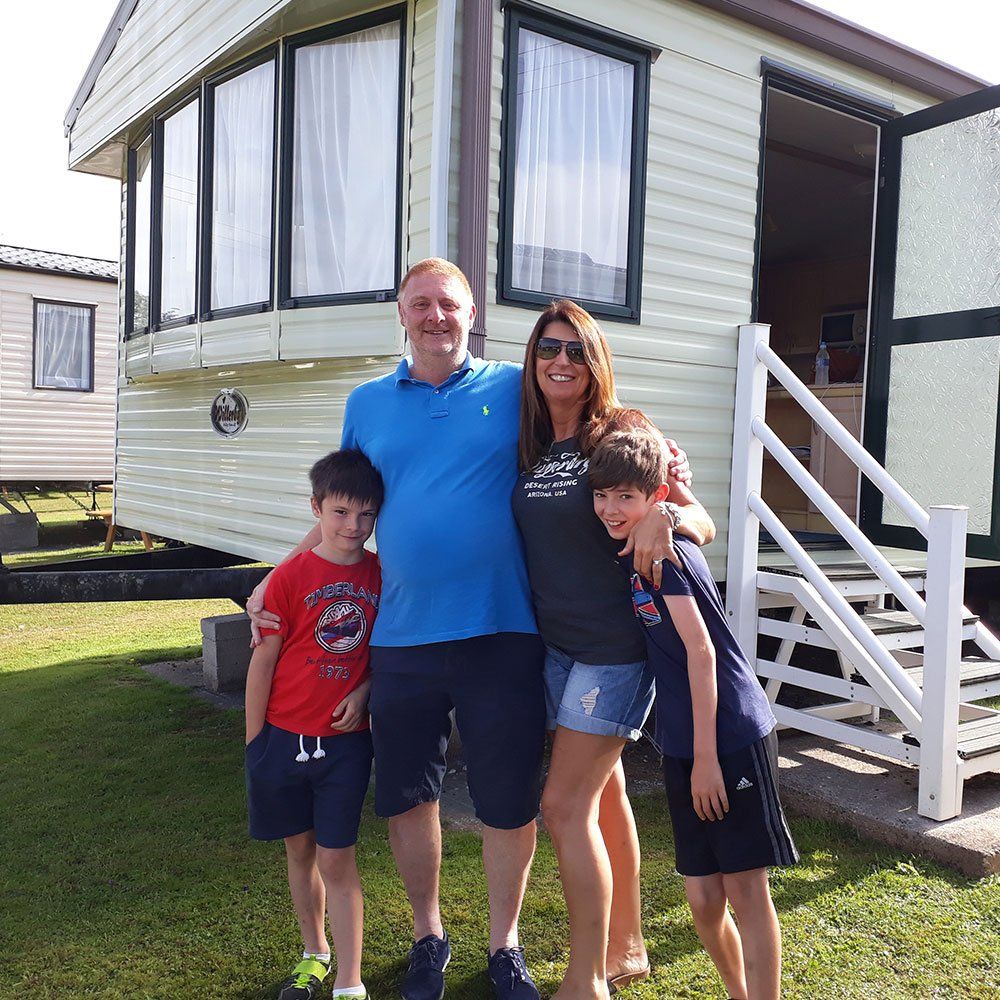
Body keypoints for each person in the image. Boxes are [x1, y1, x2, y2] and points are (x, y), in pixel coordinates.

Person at [248, 260, 689, 1000]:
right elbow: (342, 509)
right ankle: (429, 936)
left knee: (508, 798)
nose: (435, 317)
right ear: (401, 313)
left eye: (447, 304)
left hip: (503, 632)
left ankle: (503, 944)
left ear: (472, 311)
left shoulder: (510, 392)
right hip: (402, 637)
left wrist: (668, 496)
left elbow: (606, 429)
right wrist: (275, 574)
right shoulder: (366, 403)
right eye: (420, 304)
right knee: (408, 796)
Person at [512, 301, 715, 999]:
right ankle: (625, 948)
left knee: (563, 808)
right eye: (548, 349)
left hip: (614, 652)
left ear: (595, 361)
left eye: (575, 350)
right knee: (604, 797)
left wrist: (666, 513)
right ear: (533, 360)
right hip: (558, 647)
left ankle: (584, 979)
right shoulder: (533, 444)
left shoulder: (622, 431)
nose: (560, 362)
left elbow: (700, 519)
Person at [588, 429, 798, 1000]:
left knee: (746, 889)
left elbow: (702, 655)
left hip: (728, 735)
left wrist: (707, 758)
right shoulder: (636, 553)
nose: (610, 508)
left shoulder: (666, 558)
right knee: (704, 899)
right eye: (602, 494)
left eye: (625, 497)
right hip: (683, 741)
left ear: (654, 497)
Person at [244, 449, 383, 1000]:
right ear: (317, 509)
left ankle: (349, 979)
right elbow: (263, 661)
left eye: (366, 516)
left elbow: (384, 651)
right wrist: (256, 742)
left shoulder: (381, 574)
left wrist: (366, 693)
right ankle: (315, 953)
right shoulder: (288, 578)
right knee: (299, 851)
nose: (353, 527)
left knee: (336, 856)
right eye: (341, 512)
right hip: (280, 739)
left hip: (346, 746)